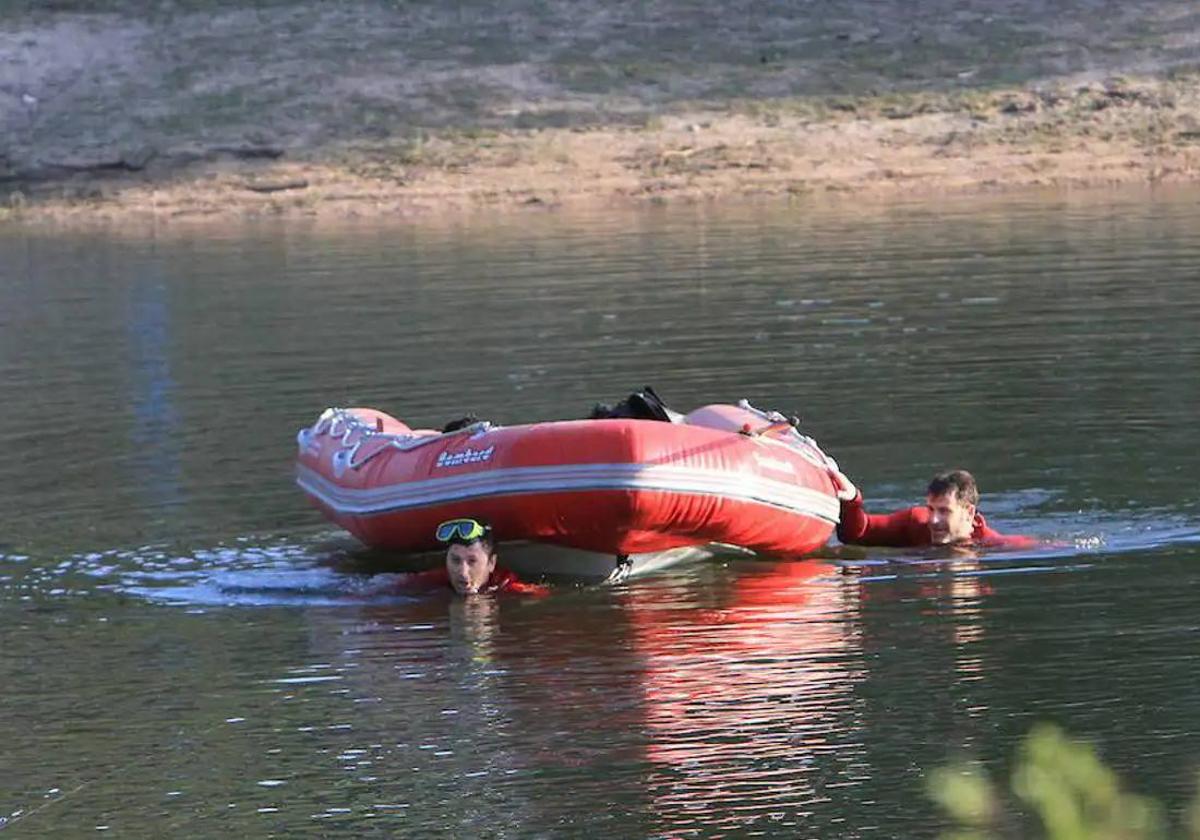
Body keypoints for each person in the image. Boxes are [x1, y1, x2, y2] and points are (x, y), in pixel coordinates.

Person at [830, 468, 1037, 550]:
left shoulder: (993, 545)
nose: (934, 520)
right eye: (931, 509)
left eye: (945, 511)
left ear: (970, 513)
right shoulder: (915, 522)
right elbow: (856, 534)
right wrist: (852, 499)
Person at [387, 518, 548, 596]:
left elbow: (541, 594)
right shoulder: (435, 580)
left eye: (472, 561)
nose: (462, 572)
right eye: (455, 560)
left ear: (491, 563)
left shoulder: (507, 585)